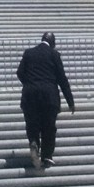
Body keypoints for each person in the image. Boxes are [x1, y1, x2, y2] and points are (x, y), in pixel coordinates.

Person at [17, 29, 75, 171]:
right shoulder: (54, 55)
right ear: (52, 43)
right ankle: (47, 156)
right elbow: (62, 79)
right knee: (48, 126)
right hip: (49, 96)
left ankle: (34, 142)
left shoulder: (28, 53)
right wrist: (70, 101)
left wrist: (30, 83)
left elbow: (19, 73)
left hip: (30, 96)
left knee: (32, 123)